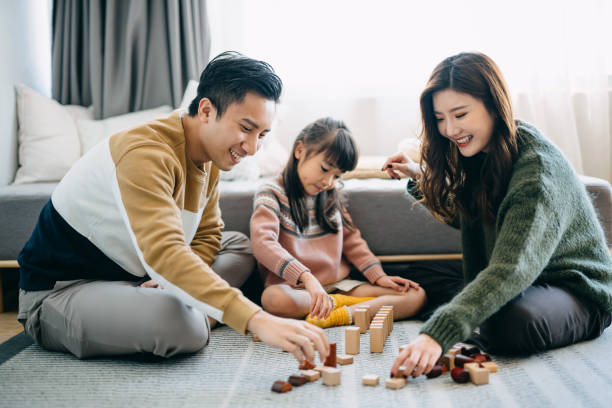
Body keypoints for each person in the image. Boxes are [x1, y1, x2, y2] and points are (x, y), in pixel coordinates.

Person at [17, 51, 329, 364]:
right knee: (184, 327)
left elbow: (208, 233)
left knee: (239, 246)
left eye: (262, 134)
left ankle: (188, 302)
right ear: (206, 110)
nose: (251, 148)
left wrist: (171, 281)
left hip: (134, 277)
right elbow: (165, 253)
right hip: (64, 292)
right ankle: (195, 312)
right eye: (246, 129)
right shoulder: (145, 153)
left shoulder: (211, 156)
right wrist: (257, 320)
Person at [385, 52, 612, 378]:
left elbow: (512, 268)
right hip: (524, 280)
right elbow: (469, 217)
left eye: (460, 114)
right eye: (439, 118)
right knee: (421, 275)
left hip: (575, 292)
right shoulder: (482, 152)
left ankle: (469, 315)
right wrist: (419, 178)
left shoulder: (536, 172)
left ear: (493, 104)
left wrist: (436, 335)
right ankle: (472, 311)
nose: (449, 129)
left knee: (510, 323)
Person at [250, 117, 426, 328]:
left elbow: (353, 242)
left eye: (337, 176)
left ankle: (339, 313)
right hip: (297, 289)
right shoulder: (271, 193)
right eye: (325, 169)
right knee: (273, 299)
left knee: (415, 295)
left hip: (340, 287)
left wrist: (379, 277)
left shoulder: (331, 195)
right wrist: (306, 278)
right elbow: (263, 244)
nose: (328, 182)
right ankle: (342, 307)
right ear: (299, 150)